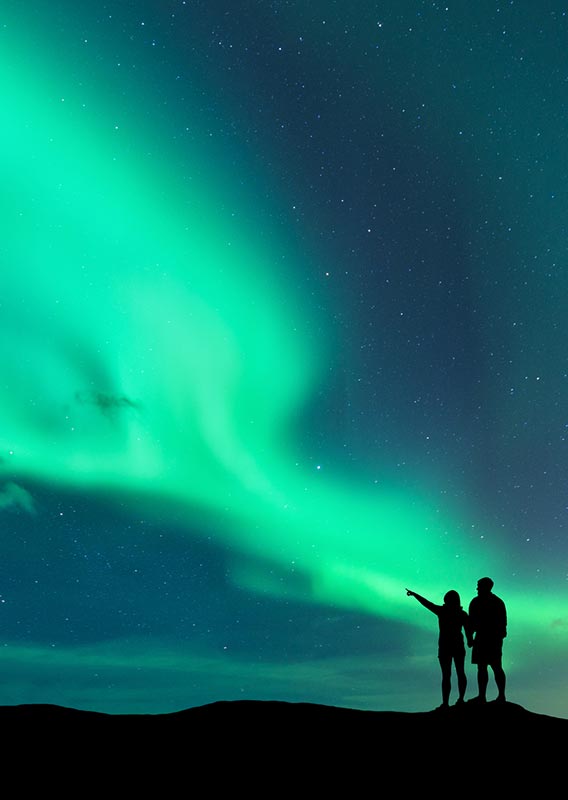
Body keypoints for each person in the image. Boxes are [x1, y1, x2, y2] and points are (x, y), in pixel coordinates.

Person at [406, 587, 473, 708]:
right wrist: (469, 641)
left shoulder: (442, 611)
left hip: (445, 647)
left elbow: (426, 603)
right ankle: (460, 700)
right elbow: (468, 630)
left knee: (447, 675)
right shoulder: (461, 614)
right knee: (459, 673)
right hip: (456, 646)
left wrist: (414, 594)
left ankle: (446, 703)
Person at [468, 577, 507, 703]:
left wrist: (471, 637)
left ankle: (499, 696)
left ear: (487, 587)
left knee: (494, 667)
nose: (477, 588)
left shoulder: (496, 602)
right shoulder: (493, 602)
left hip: (491, 639)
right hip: (485, 638)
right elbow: (471, 623)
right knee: (484, 667)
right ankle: (483, 696)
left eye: (479, 585)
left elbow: (502, 624)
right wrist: (470, 637)